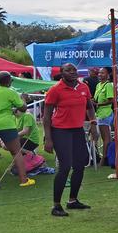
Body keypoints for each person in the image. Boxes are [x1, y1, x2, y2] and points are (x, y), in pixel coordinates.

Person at [42, 63, 97, 216]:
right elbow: (46, 116)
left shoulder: (83, 87)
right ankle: (56, 206)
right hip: (60, 131)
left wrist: (93, 124)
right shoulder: (55, 90)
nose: (72, 72)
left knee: (80, 165)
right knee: (65, 167)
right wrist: (48, 138)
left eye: (74, 70)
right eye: (68, 70)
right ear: (62, 73)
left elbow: (90, 107)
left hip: (77, 130)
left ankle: (72, 200)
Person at [93, 67, 115, 166]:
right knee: (107, 138)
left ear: (108, 75)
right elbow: (96, 98)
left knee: (105, 138)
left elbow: (111, 100)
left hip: (105, 114)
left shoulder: (108, 85)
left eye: (102, 73)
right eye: (99, 73)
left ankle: (103, 159)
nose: (100, 74)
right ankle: (108, 157)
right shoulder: (98, 85)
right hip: (99, 113)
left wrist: (98, 104)